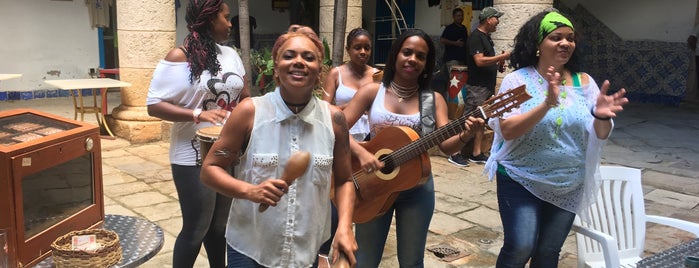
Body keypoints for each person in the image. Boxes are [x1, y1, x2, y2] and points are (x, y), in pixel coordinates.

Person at [199, 25, 358, 268]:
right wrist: (249, 191)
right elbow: (210, 170)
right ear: (276, 68)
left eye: (308, 57)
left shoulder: (335, 120)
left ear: (319, 72)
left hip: (306, 249)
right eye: (289, 55)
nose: (298, 62)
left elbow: (345, 180)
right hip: (250, 246)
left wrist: (345, 227)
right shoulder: (250, 112)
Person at [484, 10, 628, 267]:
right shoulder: (518, 80)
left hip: (568, 183)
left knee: (548, 252)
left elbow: (600, 134)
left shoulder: (584, 82)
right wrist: (546, 104)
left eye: (570, 38)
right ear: (538, 44)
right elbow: (507, 130)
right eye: (556, 37)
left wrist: (602, 117)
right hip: (521, 179)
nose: (565, 43)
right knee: (521, 246)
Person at [342, 28, 484, 267]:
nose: (412, 60)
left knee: (411, 262)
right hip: (372, 183)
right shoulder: (371, 92)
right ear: (396, 54)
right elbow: (337, 130)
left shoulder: (432, 99)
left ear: (427, 63)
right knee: (364, 260)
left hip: (416, 188)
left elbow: (447, 146)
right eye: (407, 52)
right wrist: (359, 153)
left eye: (421, 56)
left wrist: (465, 134)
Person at [146, 0, 250, 267]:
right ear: (209, 18)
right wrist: (197, 114)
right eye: (226, 18)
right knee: (196, 228)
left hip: (228, 152)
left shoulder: (231, 55)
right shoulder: (178, 57)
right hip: (191, 154)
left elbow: (245, 98)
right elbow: (154, 105)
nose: (230, 23)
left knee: (219, 228)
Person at [448, 6, 511, 166]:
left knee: (481, 120)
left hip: (486, 86)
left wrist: (499, 64)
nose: (498, 22)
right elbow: (479, 61)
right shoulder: (476, 37)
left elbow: (487, 61)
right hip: (477, 87)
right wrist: (501, 57)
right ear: (489, 19)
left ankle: (476, 153)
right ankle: (454, 153)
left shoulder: (487, 38)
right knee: (468, 118)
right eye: (496, 18)